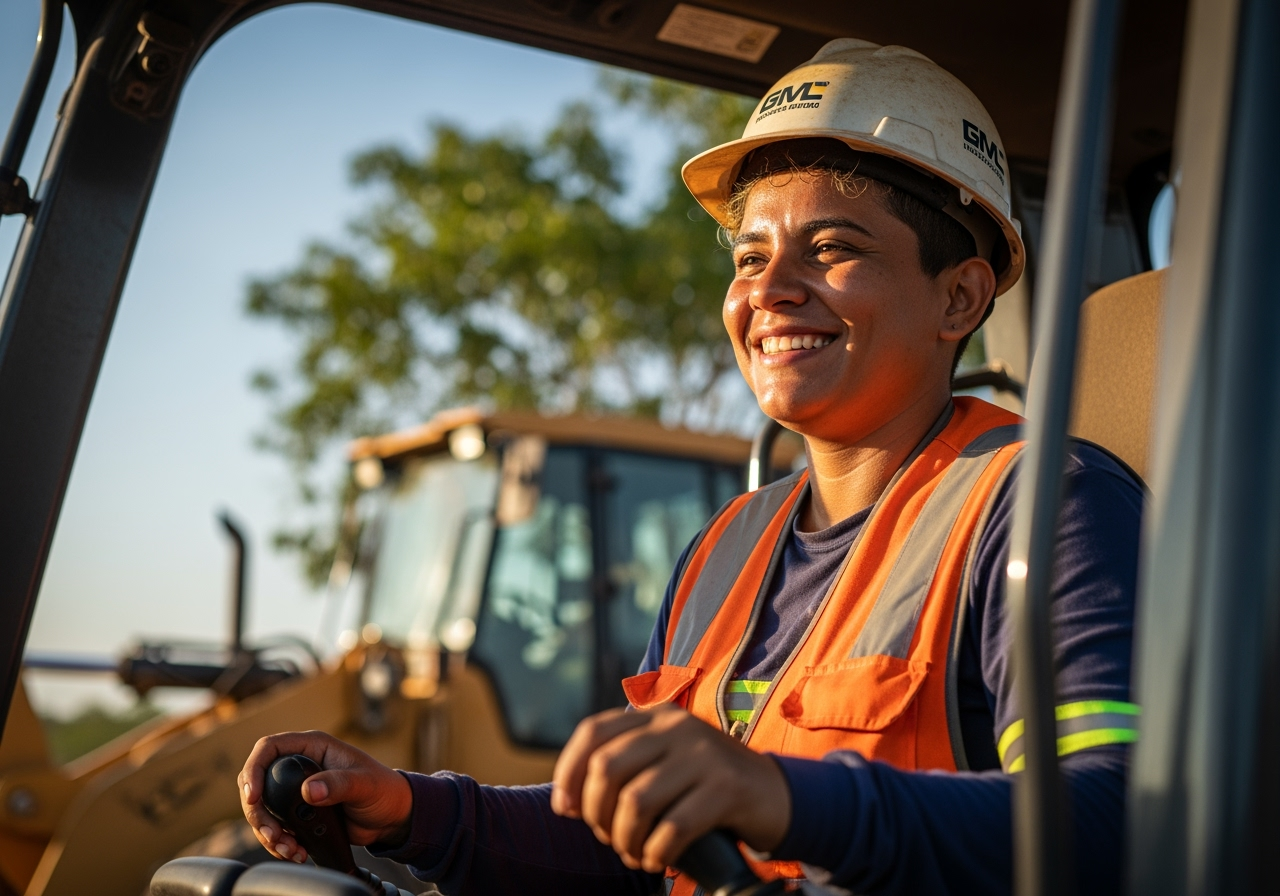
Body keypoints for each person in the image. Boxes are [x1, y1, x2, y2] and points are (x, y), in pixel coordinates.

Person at [238, 39, 1140, 896]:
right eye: (750, 257)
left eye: (832, 249)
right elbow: (639, 851)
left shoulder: (1044, 509)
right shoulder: (723, 549)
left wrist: (784, 799)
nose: (769, 290)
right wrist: (415, 810)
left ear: (960, 297)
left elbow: (1118, 824)